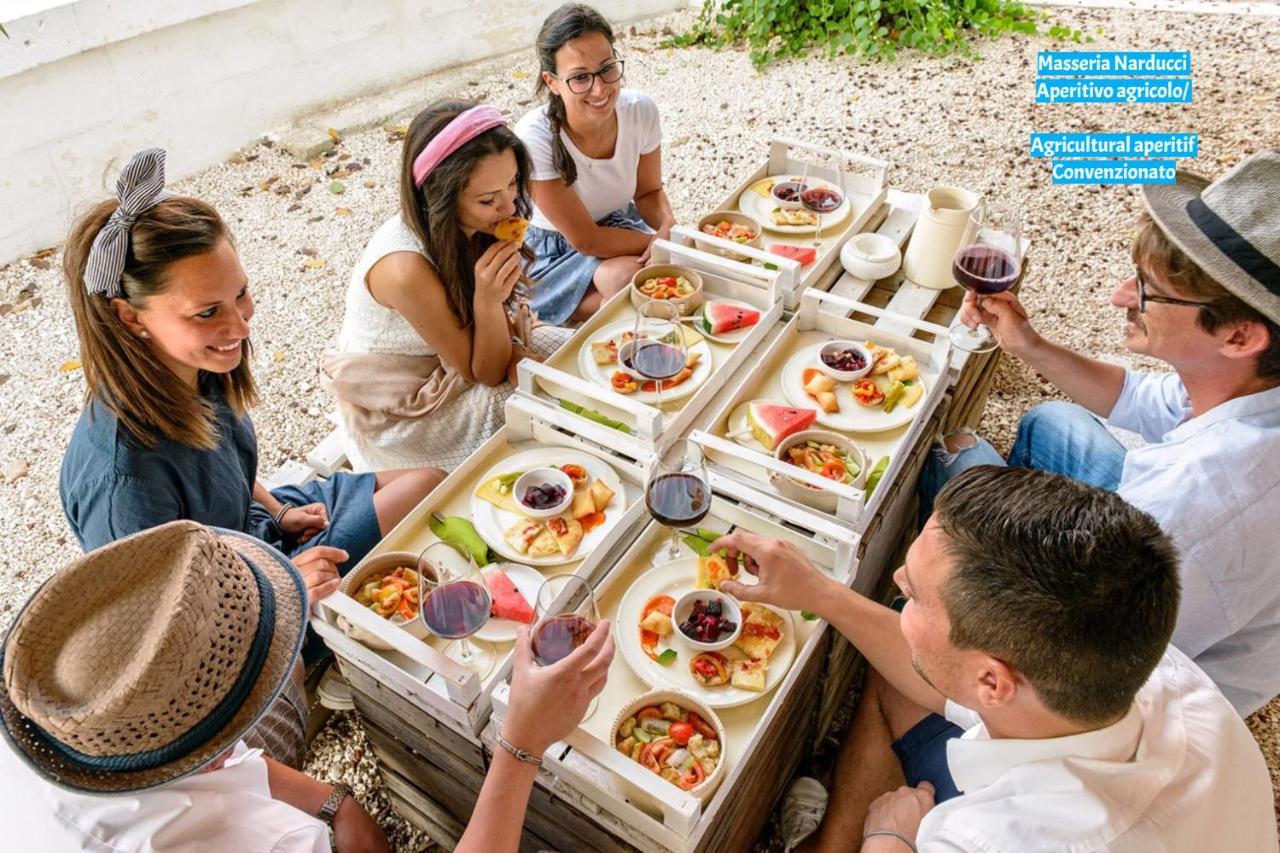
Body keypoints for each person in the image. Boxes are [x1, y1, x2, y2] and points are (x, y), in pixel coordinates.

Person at [712, 467, 1278, 853]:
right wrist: (820, 593)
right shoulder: (1153, 663)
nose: (895, 581)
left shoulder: (977, 840)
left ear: (993, 681)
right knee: (901, 675)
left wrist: (889, 838)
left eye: (912, 596)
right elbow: (941, 672)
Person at [0, 520, 614, 852]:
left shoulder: (66, 719)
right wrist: (521, 744)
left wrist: (336, 802)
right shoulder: (263, 843)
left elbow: (202, 759)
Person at [920, 150, 1280, 717]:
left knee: (954, 470)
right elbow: (1144, 399)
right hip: (1164, 569)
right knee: (1051, 423)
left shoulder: (1199, 505)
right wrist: (1030, 345)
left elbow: (1062, 674)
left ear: (1239, 336)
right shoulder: (1248, 381)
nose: (1118, 296)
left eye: (1148, 291)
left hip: (1143, 684)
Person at [59, 148, 444, 576]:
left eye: (239, 294)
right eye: (207, 312)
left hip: (255, 529)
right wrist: (290, 585)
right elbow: (168, 631)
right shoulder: (122, 486)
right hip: (233, 603)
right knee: (422, 496)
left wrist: (277, 510)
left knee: (429, 485)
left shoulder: (192, 368)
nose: (240, 328)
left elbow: (223, 477)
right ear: (129, 317)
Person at [324, 100, 572, 471]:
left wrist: (500, 319)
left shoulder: (477, 225)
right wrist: (488, 300)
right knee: (522, 402)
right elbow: (484, 372)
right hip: (402, 405)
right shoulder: (405, 269)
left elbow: (498, 344)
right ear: (441, 196)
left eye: (512, 183)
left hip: (460, 357)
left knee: (569, 349)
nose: (509, 208)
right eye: (488, 199)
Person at [516, 3, 677, 323]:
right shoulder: (534, 137)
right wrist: (657, 242)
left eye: (607, 68)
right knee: (630, 279)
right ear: (552, 82)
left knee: (642, 277)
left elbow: (648, 192)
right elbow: (586, 240)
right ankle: (535, 306)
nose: (600, 88)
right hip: (553, 251)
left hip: (618, 227)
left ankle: (594, 306)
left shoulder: (640, 110)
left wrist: (668, 225)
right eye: (579, 78)